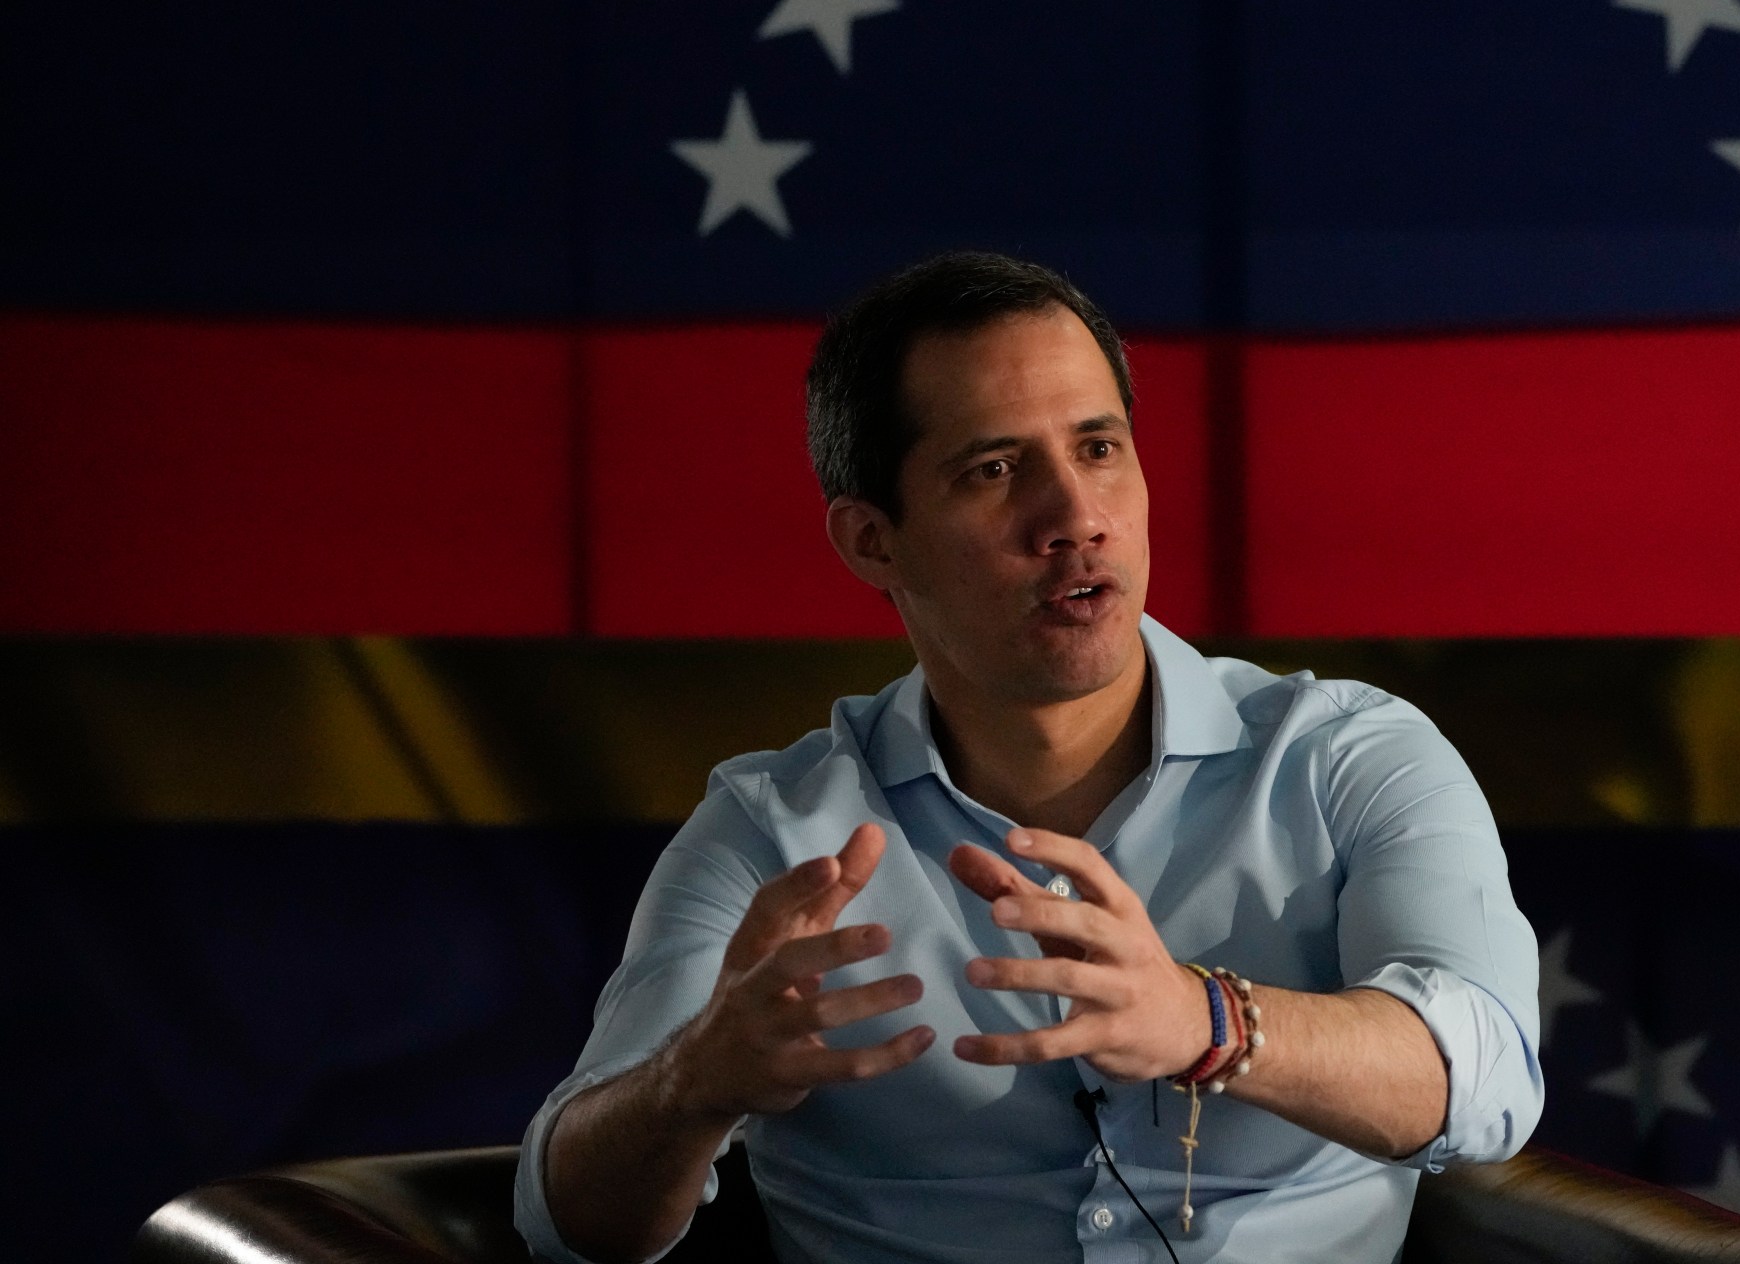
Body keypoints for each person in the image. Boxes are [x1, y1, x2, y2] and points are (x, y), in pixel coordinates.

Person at [514, 252, 1543, 1263]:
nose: (1074, 518)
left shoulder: (1347, 758)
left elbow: (1490, 1079)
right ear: (873, 542)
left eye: (1099, 449)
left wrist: (1206, 1021)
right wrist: (697, 1083)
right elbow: (567, 1224)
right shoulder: (773, 832)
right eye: (995, 470)